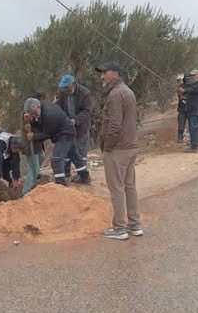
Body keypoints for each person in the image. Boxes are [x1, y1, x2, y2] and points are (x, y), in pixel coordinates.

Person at [97, 62, 142, 240]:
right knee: (129, 187)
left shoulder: (115, 94)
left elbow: (114, 126)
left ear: (115, 73)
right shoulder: (127, 91)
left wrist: (107, 147)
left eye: (104, 72)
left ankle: (119, 229)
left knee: (116, 188)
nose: (101, 76)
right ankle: (135, 225)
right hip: (130, 146)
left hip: (118, 148)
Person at [23, 98, 90, 185]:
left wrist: (34, 136)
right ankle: (85, 177)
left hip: (65, 134)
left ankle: (60, 183)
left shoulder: (49, 114)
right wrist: (30, 121)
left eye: (32, 112)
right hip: (67, 132)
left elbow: (47, 133)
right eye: (30, 113)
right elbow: (40, 123)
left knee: (56, 159)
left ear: (38, 107)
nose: (32, 115)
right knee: (74, 156)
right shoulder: (41, 109)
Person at [56, 74, 92, 178]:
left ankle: (82, 175)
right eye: (63, 87)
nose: (64, 89)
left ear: (72, 84)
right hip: (67, 127)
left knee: (81, 151)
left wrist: (75, 120)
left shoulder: (84, 93)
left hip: (81, 127)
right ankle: (66, 172)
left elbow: (87, 111)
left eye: (66, 87)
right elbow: (59, 107)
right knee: (66, 150)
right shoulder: (62, 93)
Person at [21, 90, 47, 196]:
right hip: (29, 146)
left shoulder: (38, 113)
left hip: (37, 145)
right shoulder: (27, 115)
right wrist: (27, 121)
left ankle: (33, 178)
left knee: (41, 158)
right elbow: (25, 122)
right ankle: (26, 191)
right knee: (34, 169)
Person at [177, 69, 198, 153]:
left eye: (193, 75)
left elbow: (193, 89)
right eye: (190, 75)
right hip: (194, 110)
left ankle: (194, 147)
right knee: (194, 128)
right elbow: (190, 91)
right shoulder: (195, 84)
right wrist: (182, 91)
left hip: (197, 111)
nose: (191, 77)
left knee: (194, 128)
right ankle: (195, 144)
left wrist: (184, 90)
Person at [177, 74, 190, 143]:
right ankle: (180, 138)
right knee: (181, 124)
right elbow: (181, 97)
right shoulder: (181, 87)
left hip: (188, 109)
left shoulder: (191, 87)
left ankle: (181, 138)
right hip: (183, 109)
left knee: (188, 124)